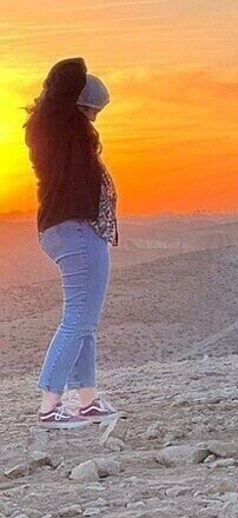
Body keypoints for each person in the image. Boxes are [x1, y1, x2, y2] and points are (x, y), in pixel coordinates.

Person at [25, 58, 120, 429]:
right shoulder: (57, 124)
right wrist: (83, 64)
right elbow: (66, 74)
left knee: (85, 321)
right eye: (92, 109)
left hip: (73, 229)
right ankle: (50, 405)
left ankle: (88, 400)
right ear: (75, 102)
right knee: (78, 318)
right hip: (75, 229)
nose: (94, 118)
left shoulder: (60, 133)